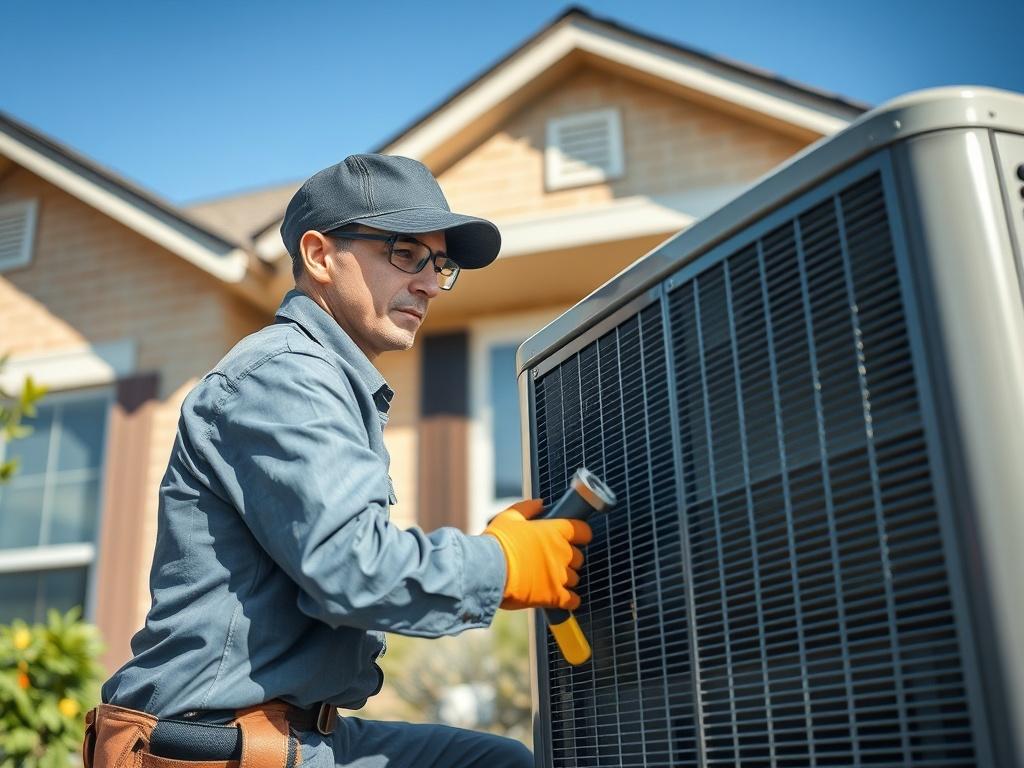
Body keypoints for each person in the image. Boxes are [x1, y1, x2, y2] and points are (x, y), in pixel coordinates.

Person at [85, 154, 592, 768]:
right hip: (214, 746)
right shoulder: (282, 377)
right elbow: (353, 568)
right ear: (321, 256)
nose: (430, 283)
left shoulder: (328, 383)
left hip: (298, 733)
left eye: (442, 265)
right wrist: (501, 564)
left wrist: (494, 556)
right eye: (406, 254)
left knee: (499, 762)